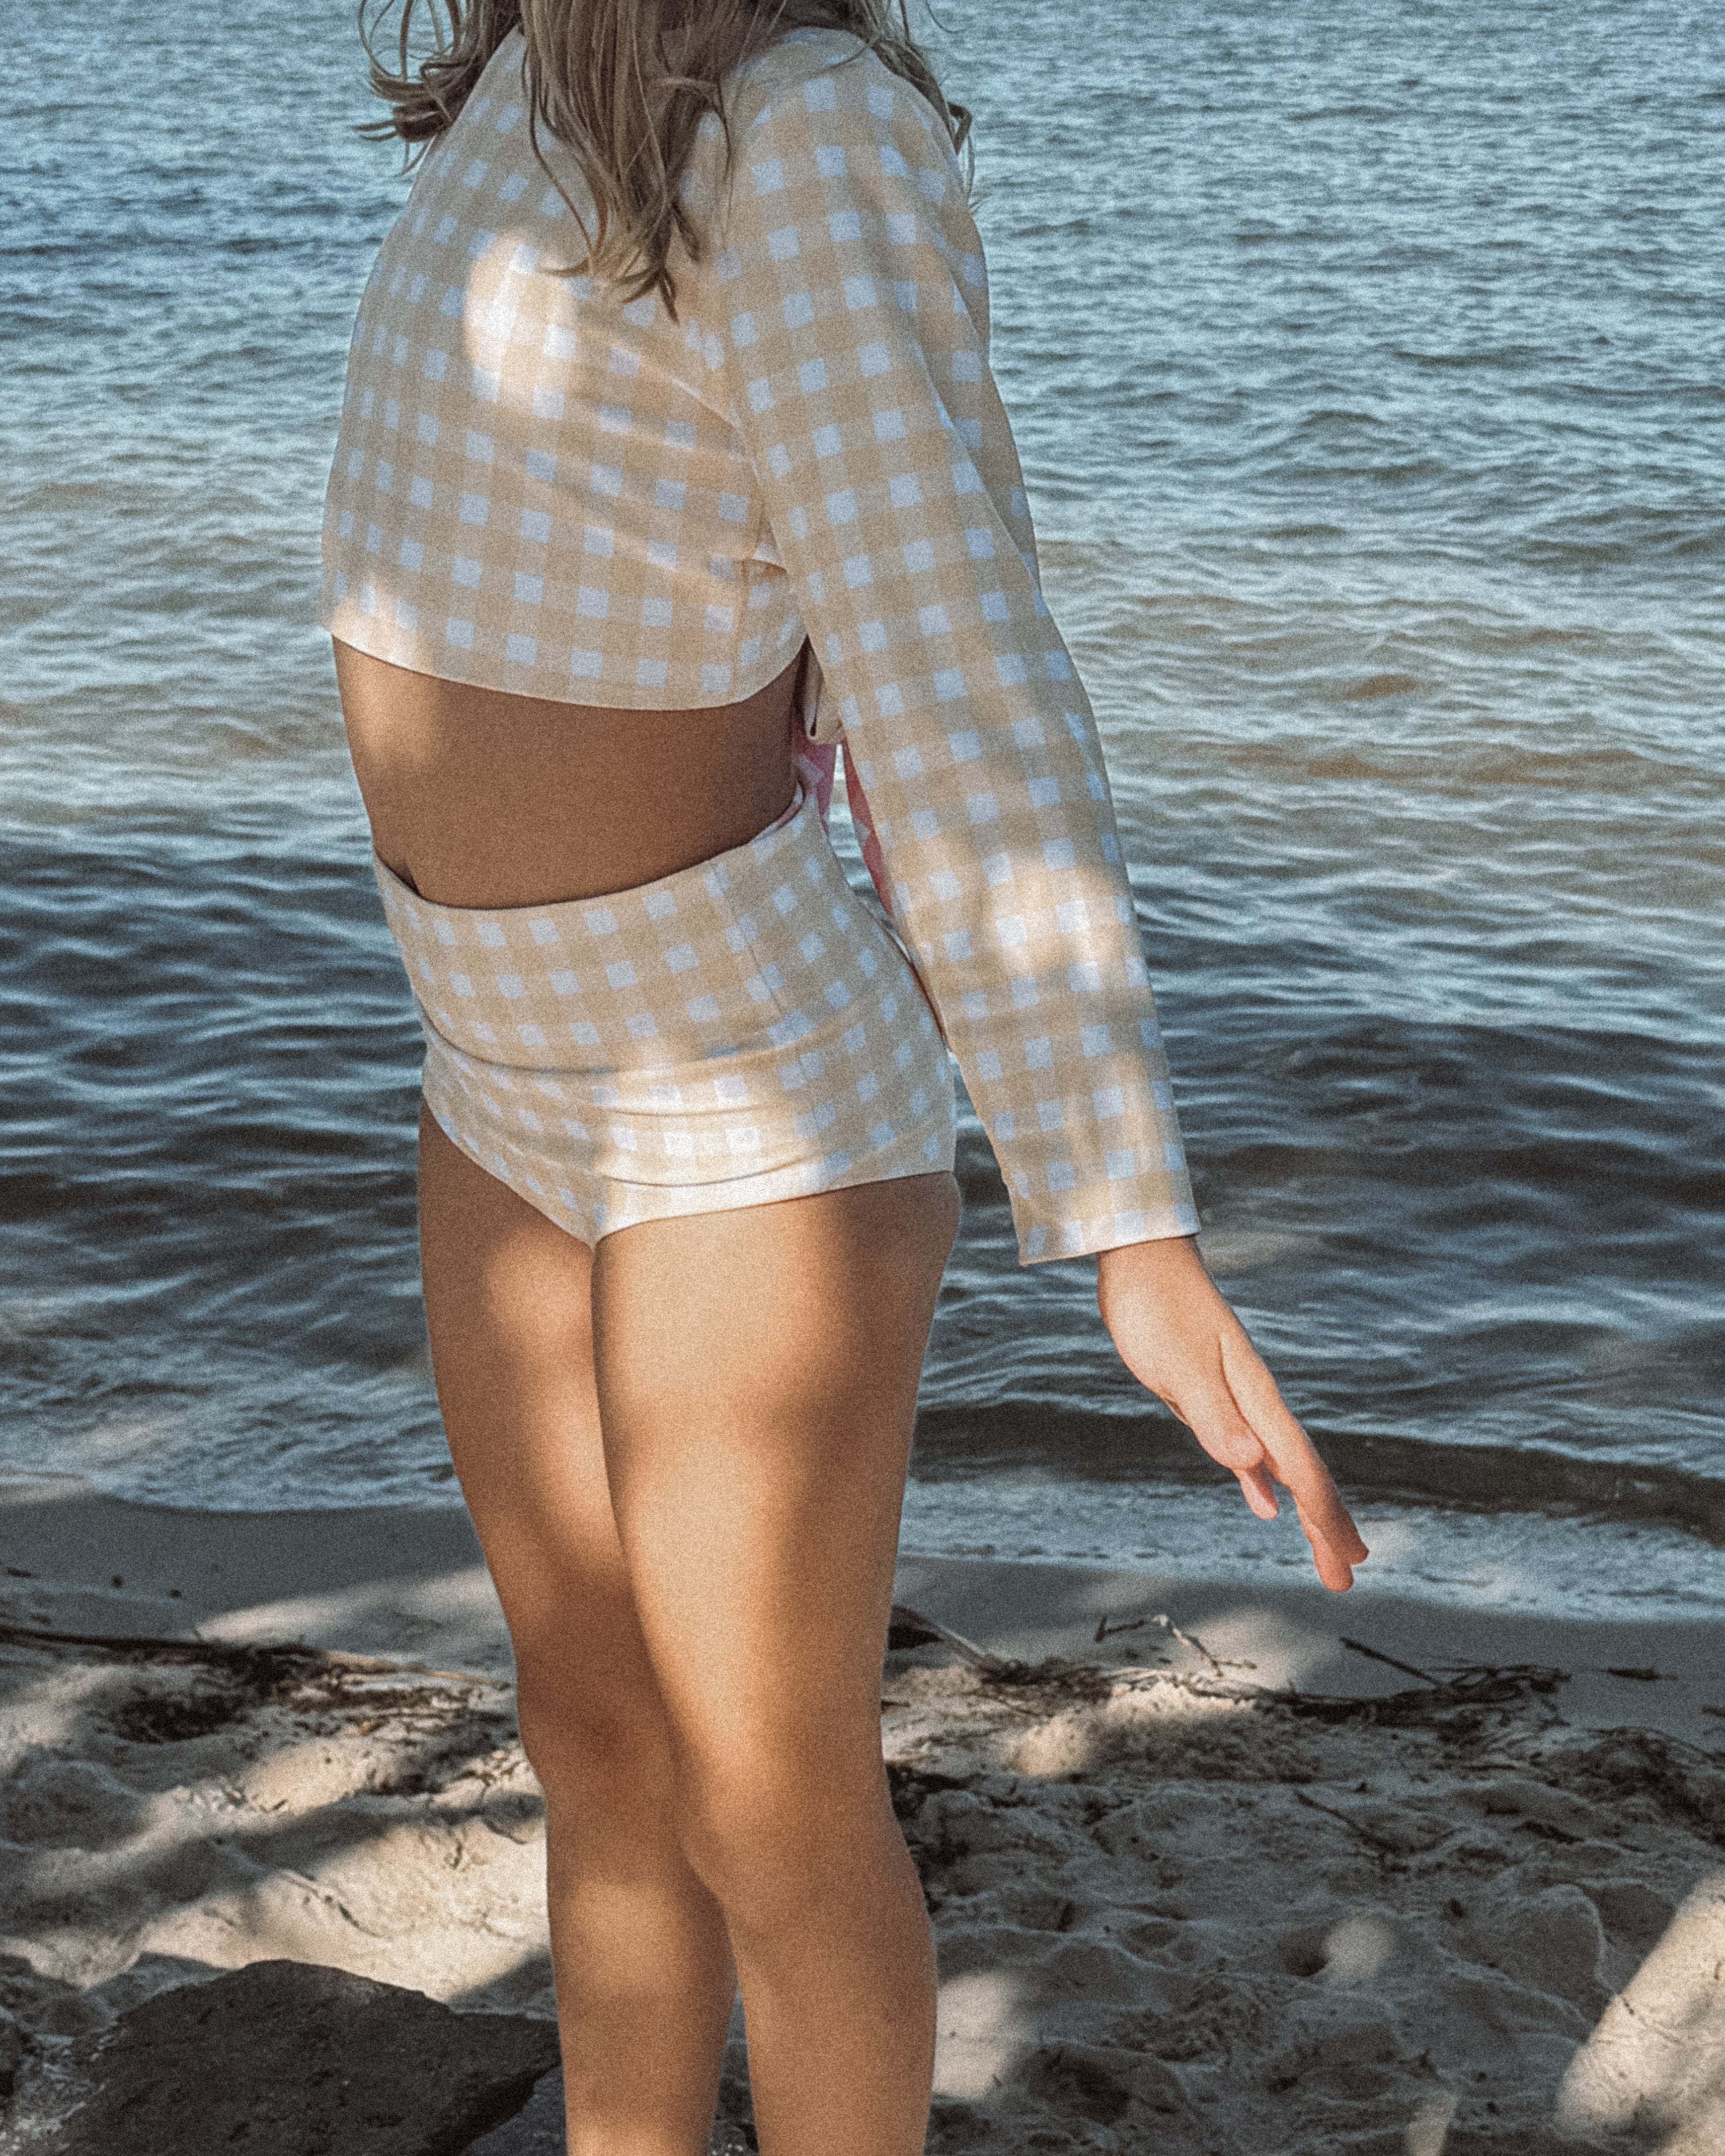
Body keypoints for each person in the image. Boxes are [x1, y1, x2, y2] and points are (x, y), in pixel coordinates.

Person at [320, 1, 1370, 2146]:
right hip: (494, 1068)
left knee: (763, 1803)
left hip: (739, 1084)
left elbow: (956, 678)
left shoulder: (802, 134)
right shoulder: (528, 84)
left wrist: (1122, 1216)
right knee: (587, 1738)